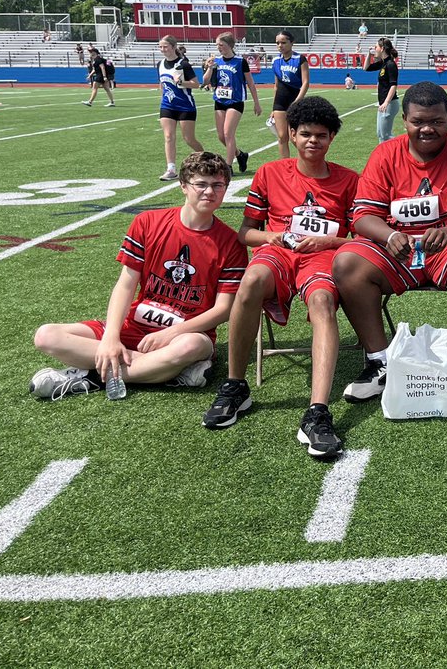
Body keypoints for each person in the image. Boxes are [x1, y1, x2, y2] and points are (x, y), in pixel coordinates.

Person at [202, 97, 360, 459]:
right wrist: (271, 236)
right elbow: (246, 233)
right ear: (292, 133)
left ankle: (318, 412)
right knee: (251, 280)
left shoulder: (350, 180)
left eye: (321, 135)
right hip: (278, 252)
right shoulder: (270, 173)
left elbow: (361, 239)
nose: (312, 141)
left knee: (322, 300)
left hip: (322, 257)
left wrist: (329, 241)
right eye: (305, 134)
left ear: (332, 137)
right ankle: (235, 385)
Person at [332, 82, 447, 407]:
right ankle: (379, 361)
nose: (427, 129)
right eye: (418, 121)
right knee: (347, 261)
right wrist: (388, 235)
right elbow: (363, 215)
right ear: (405, 121)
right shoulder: (385, 154)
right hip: (397, 249)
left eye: (437, 121)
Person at [29, 152, 246, 400]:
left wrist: (171, 333)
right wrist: (111, 338)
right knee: (46, 336)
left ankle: (90, 378)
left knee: (190, 346)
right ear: (183, 186)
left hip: (186, 335)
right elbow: (126, 284)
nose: (209, 191)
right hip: (133, 325)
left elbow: (223, 309)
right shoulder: (147, 222)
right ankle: (166, 370)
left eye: (218, 185)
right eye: (201, 184)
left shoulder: (231, 243)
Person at [203, 32, 261, 174]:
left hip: (235, 101)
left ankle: (228, 166)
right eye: (217, 45)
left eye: (221, 45)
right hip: (219, 101)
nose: (218, 47)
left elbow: (250, 83)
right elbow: (205, 81)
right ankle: (240, 155)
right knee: (221, 136)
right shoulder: (216, 61)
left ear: (230, 45)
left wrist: (256, 102)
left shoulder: (240, 62)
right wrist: (209, 67)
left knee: (228, 133)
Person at [156, 34, 204, 181]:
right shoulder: (160, 64)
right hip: (167, 105)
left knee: (189, 139)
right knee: (168, 136)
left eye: (165, 47)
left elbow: (196, 84)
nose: (163, 49)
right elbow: (162, 84)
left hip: (185, 106)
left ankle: (205, 158)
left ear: (173, 47)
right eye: (160, 47)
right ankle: (171, 169)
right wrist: (163, 97)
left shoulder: (183, 64)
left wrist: (181, 82)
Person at [269, 30, 310, 159]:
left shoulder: (300, 59)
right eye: (277, 43)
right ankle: (285, 165)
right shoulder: (276, 61)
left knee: (295, 137)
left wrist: (297, 102)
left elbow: (305, 83)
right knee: (282, 137)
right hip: (280, 101)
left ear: (292, 43)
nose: (280, 45)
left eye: (283, 42)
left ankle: (308, 162)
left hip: (295, 99)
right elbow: (276, 85)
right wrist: (273, 108)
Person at [364, 36, 400, 143]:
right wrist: (369, 54)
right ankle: (384, 153)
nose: (374, 49)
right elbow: (366, 68)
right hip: (383, 103)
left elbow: (393, 85)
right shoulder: (383, 63)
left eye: (376, 47)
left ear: (382, 48)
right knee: (380, 134)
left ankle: (400, 148)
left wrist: (386, 102)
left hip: (389, 103)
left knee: (385, 136)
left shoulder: (390, 64)